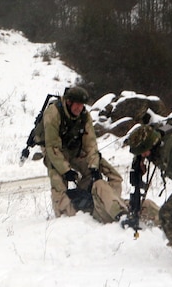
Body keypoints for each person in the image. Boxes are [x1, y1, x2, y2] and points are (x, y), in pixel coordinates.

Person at [41, 86, 126, 223]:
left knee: (98, 167)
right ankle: (63, 214)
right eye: (77, 105)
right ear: (69, 102)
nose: (79, 109)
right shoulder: (53, 114)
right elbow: (52, 147)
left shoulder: (84, 116)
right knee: (58, 177)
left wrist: (93, 166)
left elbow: (91, 144)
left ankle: (99, 203)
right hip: (54, 150)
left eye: (82, 105)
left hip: (75, 148)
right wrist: (66, 170)